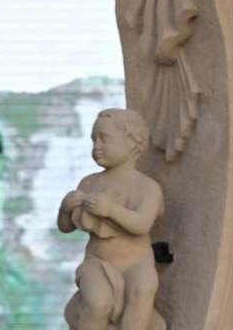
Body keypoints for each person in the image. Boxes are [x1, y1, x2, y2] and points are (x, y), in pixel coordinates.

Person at [59, 108, 167, 330]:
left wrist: (110, 210)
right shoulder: (89, 183)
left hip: (136, 261)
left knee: (143, 290)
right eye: (93, 140)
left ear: (132, 143)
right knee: (98, 304)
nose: (96, 146)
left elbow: (142, 224)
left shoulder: (147, 187)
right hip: (97, 262)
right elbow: (66, 227)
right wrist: (64, 210)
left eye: (104, 139)